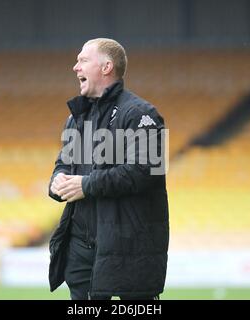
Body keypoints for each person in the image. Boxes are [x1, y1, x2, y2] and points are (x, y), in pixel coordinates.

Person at [48, 38, 169, 300]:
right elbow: (64, 164)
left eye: (83, 60)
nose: (75, 68)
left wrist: (86, 185)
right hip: (81, 250)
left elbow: (145, 171)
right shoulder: (76, 117)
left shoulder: (141, 114)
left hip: (130, 249)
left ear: (106, 67)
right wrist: (57, 181)